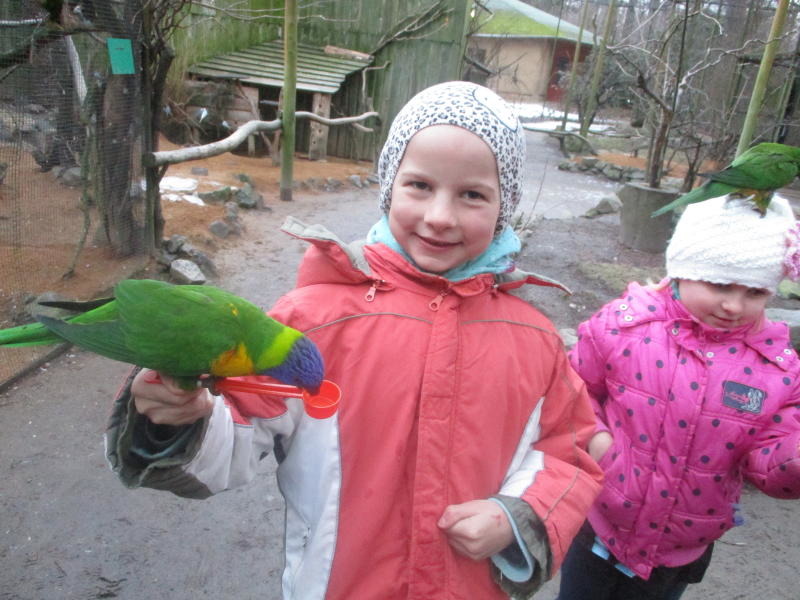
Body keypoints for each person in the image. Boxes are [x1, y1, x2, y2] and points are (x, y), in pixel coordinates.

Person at [105, 81, 603, 599]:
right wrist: (179, 420)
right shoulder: (312, 320)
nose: (439, 216)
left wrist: (516, 516)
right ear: (389, 185)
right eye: (419, 186)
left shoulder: (534, 339)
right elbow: (234, 438)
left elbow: (568, 452)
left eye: (472, 195)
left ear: (505, 205)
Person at [558, 193, 800, 600]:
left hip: (679, 553)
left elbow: (768, 462)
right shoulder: (625, 327)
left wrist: (793, 458)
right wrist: (597, 443)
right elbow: (570, 388)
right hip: (596, 525)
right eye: (719, 284)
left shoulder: (775, 370)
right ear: (685, 269)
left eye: (755, 292)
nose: (734, 305)